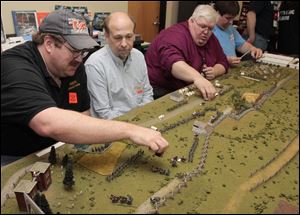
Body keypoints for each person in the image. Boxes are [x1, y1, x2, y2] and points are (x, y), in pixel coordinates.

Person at [1, 10, 168, 166]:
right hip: (16, 157)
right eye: (74, 50)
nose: (80, 59)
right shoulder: (16, 67)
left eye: (83, 51)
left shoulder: (73, 64)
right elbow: (48, 123)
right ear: (49, 44)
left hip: (58, 148)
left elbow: (84, 113)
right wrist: (130, 130)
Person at [145, 4, 229, 100]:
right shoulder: (174, 35)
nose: (206, 32)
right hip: (162, 90)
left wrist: (215, 71)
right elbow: (173, 63)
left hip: (189, 88)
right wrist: (198, 78)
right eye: (202, 26)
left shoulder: (211, 38)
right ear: (191, 21)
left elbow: (223, 61)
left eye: (210, 28)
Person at [85, 12, 153, 119]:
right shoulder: (95, 65)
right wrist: (133, 124)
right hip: (112, 127)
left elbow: (147, 94)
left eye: (129, 36)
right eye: (118, 38)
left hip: (141, 119)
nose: (124, 44)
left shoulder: (138, 56)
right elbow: (104, 113)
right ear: (106, 36)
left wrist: (142, 117)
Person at [213, 1, 263, 67]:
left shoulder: (230, 28)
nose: (231, 22)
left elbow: (241, 45)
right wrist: (225, 60)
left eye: (232, 18)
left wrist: (253, 49)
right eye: (228, 18)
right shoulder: (208, 29)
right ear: (217, 13)